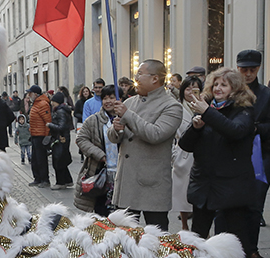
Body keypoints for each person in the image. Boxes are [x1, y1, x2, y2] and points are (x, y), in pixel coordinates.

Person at [179, 68, 257, 258]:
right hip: (205, 183)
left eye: (224, 85)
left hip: (231, 185)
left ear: (235, 89)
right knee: (199, 235)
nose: (218, 89)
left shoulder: (242, 111)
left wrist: (208, 113)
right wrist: (196, 127)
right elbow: (185, 144)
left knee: (238, 235)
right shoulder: (207, 111)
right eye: (215, 85)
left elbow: (235, 131)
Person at [108, 60, 182, 230]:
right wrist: (116, 129)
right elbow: (114, 137)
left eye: (140, 73)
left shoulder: (171, 106)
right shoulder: (130, 102)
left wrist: (128, 116)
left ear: (155, 78)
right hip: (127, 180)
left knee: (156, 237)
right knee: (122, 235)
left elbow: (155, 134)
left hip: (151, 182)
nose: (136, 78)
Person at [237, 49, 270, 258]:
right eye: (243, 69)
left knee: (255, 204)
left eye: (252, 70)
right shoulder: (229, 90)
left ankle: (252, 249)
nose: (247, 74)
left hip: (260, 154)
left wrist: (255, 128)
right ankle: (233, 248)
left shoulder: (267, 94)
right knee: (231, 205)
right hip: (234, 154)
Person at [75, 85, 118, 216]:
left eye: (112, 97)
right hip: (101, 173)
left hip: (123, 173)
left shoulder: (127, 119)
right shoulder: (94, 120)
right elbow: (81, 139)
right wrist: (99, 155)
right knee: (102, 211)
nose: (108, 101)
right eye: (105, 98)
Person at [171, 77, 199, 231]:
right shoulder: (177, 108)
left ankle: (198, 223)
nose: (191, 92)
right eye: (188, 89)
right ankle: (184, 224)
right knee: (182, 190)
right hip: (183, 153)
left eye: (195, 88)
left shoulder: (204, 106)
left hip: (200, 152)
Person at [48, 92, 74, 189]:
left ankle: (60, 182)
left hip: (60, 138)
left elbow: (61, 126)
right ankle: (68, 180)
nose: (52, 103)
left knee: (58, 160)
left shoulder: (60, 112)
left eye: (53, 101)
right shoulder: (62, 110)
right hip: (63, 138)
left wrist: (50, 125)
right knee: (62, 160)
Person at [27, 85, 51, 187]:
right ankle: (37, 178)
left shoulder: (42, 104)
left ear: (35, 94)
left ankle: (45, 179)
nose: (28, 95)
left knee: (41, 159)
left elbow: (47, 121)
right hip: (35, 134)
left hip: (41, 135)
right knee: (35, 159)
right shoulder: (36, 104)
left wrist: (47, 136)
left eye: (30, 93)